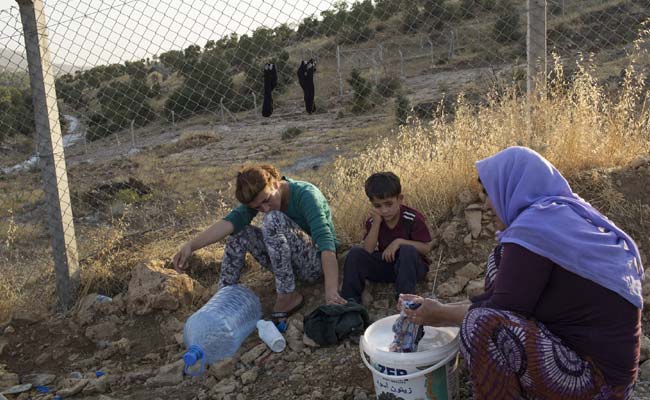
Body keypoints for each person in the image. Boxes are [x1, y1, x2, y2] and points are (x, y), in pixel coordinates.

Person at [401, 146, 643, 399]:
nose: (485, 206)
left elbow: (499, 310)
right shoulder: (557, 217)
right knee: (500, 259)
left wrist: (439, 314)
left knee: (481, 325)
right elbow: (501, 299)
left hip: (596, 384)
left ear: (510, 187)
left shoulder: (535, 227)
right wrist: (438, 309)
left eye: (487, 194)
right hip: (600, 370)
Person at [173, 164, 346, 324]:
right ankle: (222, 301)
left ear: (276, 184)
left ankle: (287, 296)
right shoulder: (262, 201)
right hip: (290, 267)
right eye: (257, 207)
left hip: (315, 266)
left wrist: (331, 291)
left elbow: (326, 244)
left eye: (266, 200)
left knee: (272, 219)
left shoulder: (306, 195)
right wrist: (191, 245)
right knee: (239, 232)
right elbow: (229, 223)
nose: (265, 208)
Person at [341, 172, 433, 303]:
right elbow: (368, 250)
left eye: (388, 204)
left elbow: (426, 248)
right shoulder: (374, 221)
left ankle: (405, 301)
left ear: (400, 199)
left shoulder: (412, 218)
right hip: (389, 267)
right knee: (355, 253)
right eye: (378, 206)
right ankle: (350, 304)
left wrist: (399, 242)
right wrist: (377, 223)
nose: (384, 210)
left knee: (407, 250)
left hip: (412, 268)